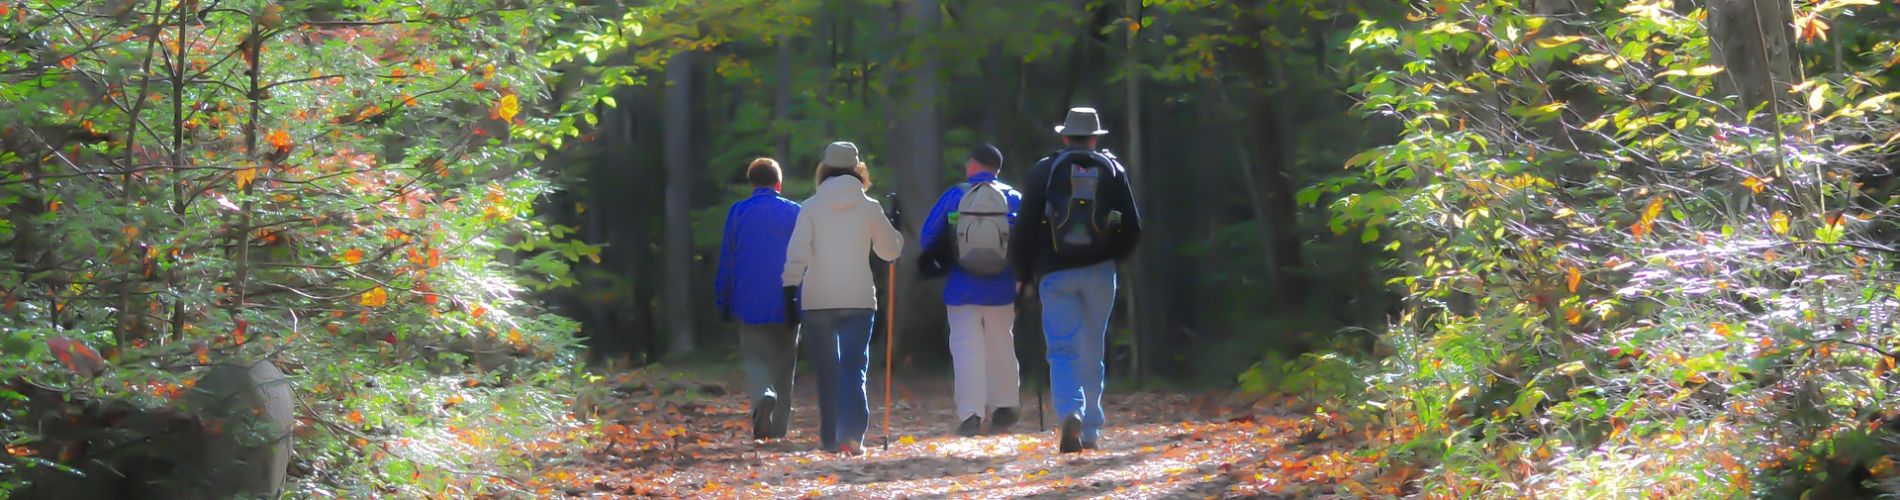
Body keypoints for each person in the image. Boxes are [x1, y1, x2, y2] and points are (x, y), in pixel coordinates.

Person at [1010, 107, 1143, 453]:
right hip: (1100, 272)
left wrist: (1023, 275)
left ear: (1065, 137)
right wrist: (1113, 257)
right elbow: (1133, 227)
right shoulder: (1113, 170)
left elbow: (1023, 228)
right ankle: (1091, 432)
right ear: (1095, 138)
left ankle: (1071, 411)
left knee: (1062, 349)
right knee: (1092, 349)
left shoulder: (1044, 170)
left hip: (1055, 272)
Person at [782, 141, 905, 455]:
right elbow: (889, 252)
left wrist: (789, 289)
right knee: (853, 368)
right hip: (858, 299)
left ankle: (828, 437)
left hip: (817, 300)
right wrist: (896, 230)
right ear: (858, 170)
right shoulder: (870, 207)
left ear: (824, 169)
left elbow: (797, 253)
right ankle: (851, 436)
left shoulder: (810, 206)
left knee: (827, 370)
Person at [918, 144, 1024, 437]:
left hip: (961, 287)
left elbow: (928, 238)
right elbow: (1029, 241)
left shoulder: (955, 195)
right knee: (1002, 343)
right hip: (1002, 287)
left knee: (966, 350)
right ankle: (1005, 406)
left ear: (973, 165)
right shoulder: (1013, 198)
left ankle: (971, 415)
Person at [714, 158, 802, 440]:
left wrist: (722, 300)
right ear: (779, 184)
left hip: (748, 301)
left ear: (751, 184)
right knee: (785, 364)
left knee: (755, 357)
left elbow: (727, 260)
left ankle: (763, 396)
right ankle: (779, 428)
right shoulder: (795, 212)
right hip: (788, 301)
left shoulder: (738, 212)